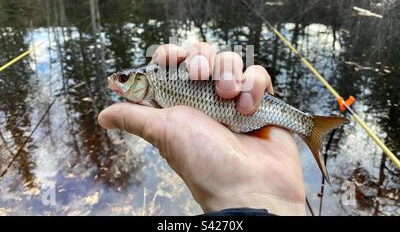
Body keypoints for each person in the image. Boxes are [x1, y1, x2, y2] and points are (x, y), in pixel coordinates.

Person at [98, 42, 306, 216]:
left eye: (123, 79)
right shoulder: (156, 91)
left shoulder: (156, 82)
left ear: (141, 81)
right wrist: (241, 198)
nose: (117, 82)